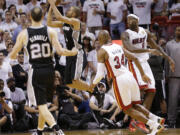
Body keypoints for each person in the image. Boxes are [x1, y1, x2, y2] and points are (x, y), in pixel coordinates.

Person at [9, 6, 78, 135]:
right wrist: (72, 52)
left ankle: (57, 129)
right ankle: (40, 131)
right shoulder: (51, 31)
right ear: (42, 17)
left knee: (41, 105)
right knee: (44, 104)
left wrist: (22, 50)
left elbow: (13, 55)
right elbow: (60, 51)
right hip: (50, 71)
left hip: (36, 70)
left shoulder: (24, 34)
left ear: (30, 17)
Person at [90, 30, 166, 135]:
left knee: (127, 110)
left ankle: (153, 125)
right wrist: (150, 52)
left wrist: (92, 85)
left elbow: (99, 75)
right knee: (135, 105)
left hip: (120, 79)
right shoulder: (118, 46)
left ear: (101, 39)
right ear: (109, 37)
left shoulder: (102, 51)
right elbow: (134, 57)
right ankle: (156, 118)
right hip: (130, 76)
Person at [121, 14, 175, 132]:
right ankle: (137, 120)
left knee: (152, 91)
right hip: (134, 64)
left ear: (137, 20)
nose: (129, 21)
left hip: (145, 64)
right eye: (128, 20)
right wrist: (149, 50)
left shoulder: (144, 32)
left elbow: (156, 46)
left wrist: (168, 59)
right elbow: (130, 49)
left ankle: (139, 121)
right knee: (139, 93)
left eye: (132, 19)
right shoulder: (125, 34)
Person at [48, 0, 92, 92]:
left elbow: (59, 16)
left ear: (74, 14)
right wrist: (51, 7)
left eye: (70, 10)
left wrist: (52, 3)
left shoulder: (76, 22)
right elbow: (49, 23)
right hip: (70, 54)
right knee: (69, 82)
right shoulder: (65, 23)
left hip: (78, 53)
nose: (68, 10)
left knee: (75, 80)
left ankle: (94, 90)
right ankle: (91, 90)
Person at [165, 26, 180, 128]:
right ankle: (171, 121)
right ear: (175, 31)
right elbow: (166, 61)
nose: (179, 31)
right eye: (178, 29)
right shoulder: (169, 44)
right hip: (173, 76)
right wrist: (166, 74)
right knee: (172, 100)